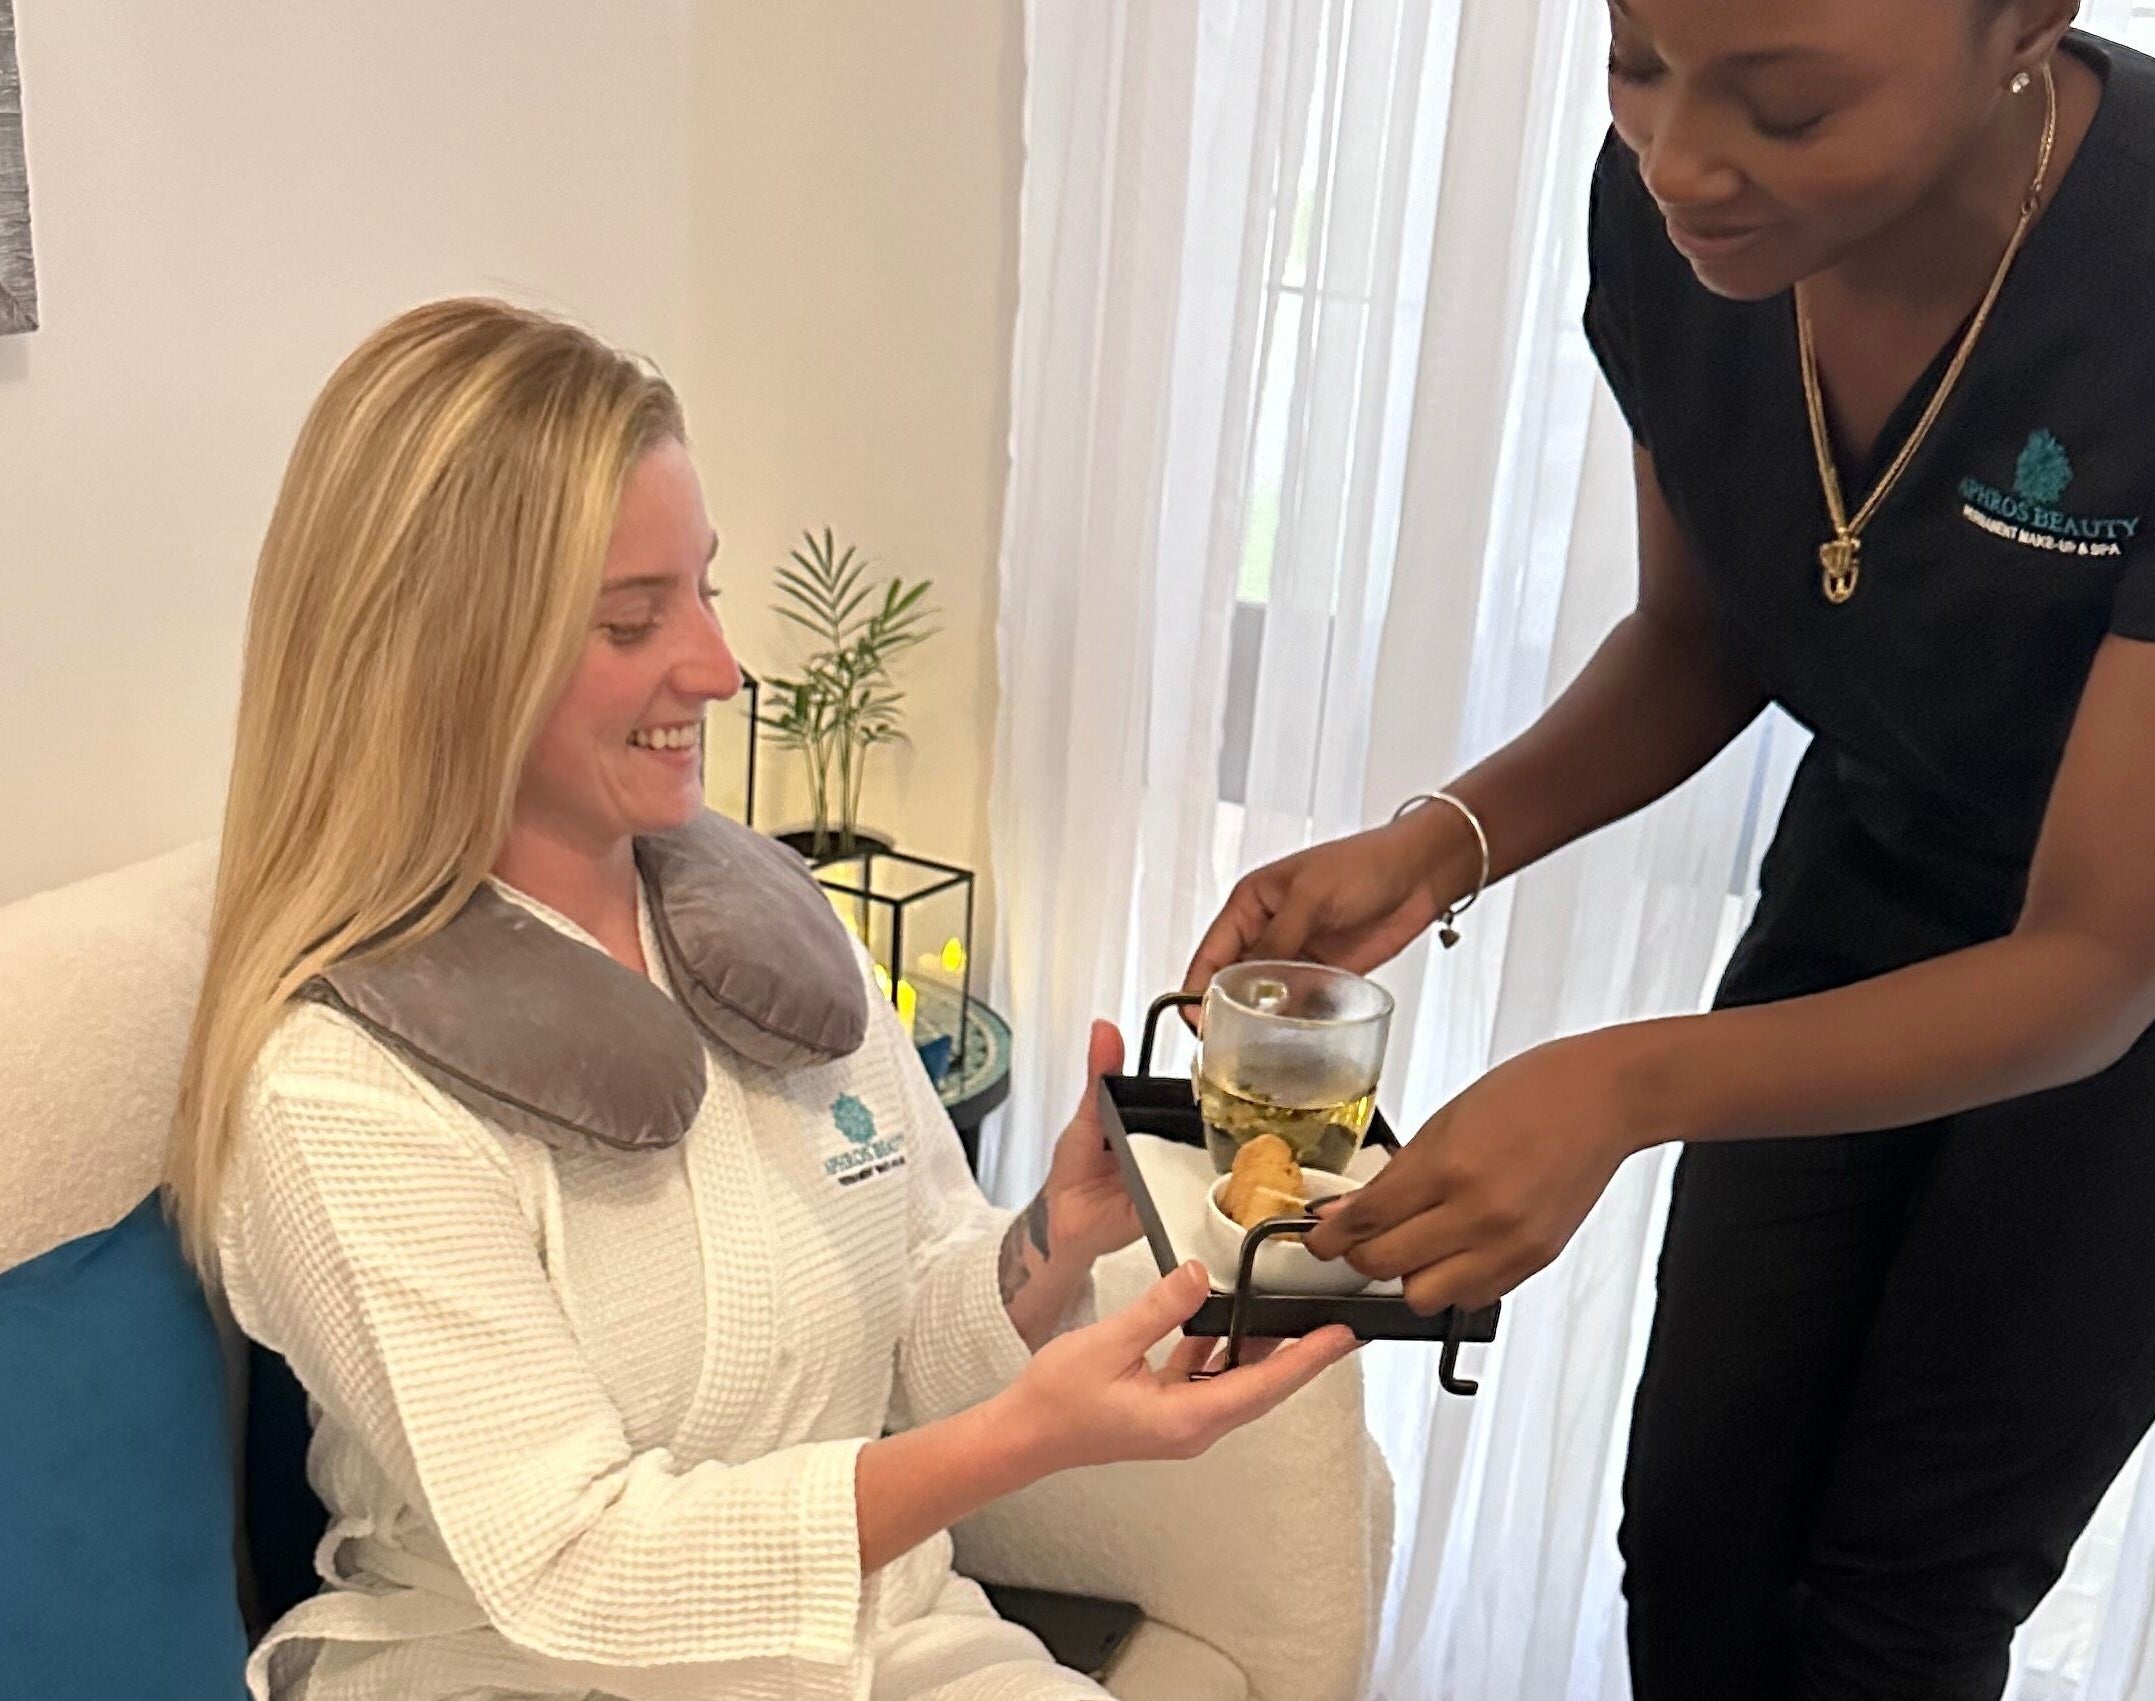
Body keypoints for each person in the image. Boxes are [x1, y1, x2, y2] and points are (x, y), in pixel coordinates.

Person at [1187, 4, 2155, 1696]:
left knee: (1901, 1587)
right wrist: (1439, 843)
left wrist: (1614, 1085)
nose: (1680, 163)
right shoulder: (1674, 221)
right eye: (1636, 66)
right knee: (1695, 1524)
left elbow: (2099, 962)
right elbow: (1703, 634)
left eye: (1788, 106)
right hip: (1878, 864)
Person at [169, 298, 1357, 1701]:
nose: (719, 671)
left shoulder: (761, 937)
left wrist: (1057, 1225)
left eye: (703, 590)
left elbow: (907, 1324)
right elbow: (569, 1561)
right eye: (632, 619)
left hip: (876, 1638)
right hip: (529, 1671)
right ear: (446, 660)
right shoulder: (343, 1087)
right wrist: (1020, 1442)